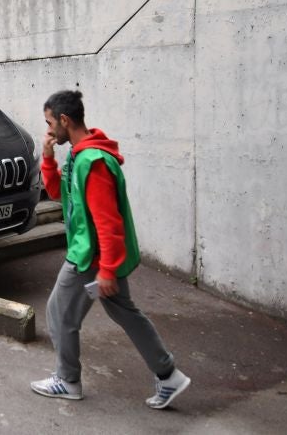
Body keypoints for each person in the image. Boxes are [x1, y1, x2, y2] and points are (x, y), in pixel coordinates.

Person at [30, 90, 190, 409]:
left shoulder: (94, 162)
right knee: (126, 313)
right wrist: (48, 159)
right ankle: (167, 374)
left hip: (89, 255)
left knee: (58, 313)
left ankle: (68, 380)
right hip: (94, 253)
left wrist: (106, 270)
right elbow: (59, 195)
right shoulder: (80, 155)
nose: (48, 131)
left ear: (65, 120)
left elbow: (108, 223)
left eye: (50, 124)